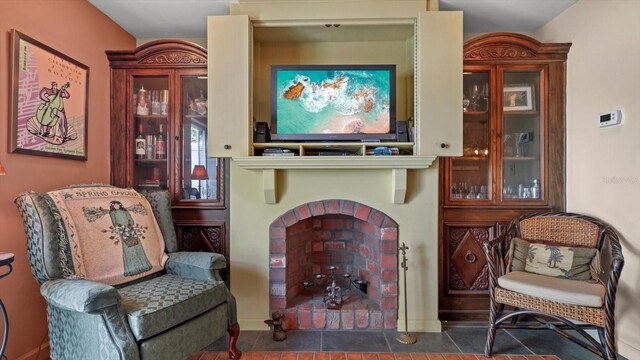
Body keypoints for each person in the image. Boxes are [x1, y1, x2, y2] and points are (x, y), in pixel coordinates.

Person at [108, 200, 152, 276]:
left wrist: (129, 225)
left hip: (131, 229)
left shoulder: (125, 212)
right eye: (115, 205)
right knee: (128, 248)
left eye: (118, 205)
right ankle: (131, 268)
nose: (117, 206)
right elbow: (114, 223)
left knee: (137, 245)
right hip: (123, 231)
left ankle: (143, 265)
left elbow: (131, 220)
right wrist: (121, 227)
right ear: (113, 206)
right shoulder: (112, 213)